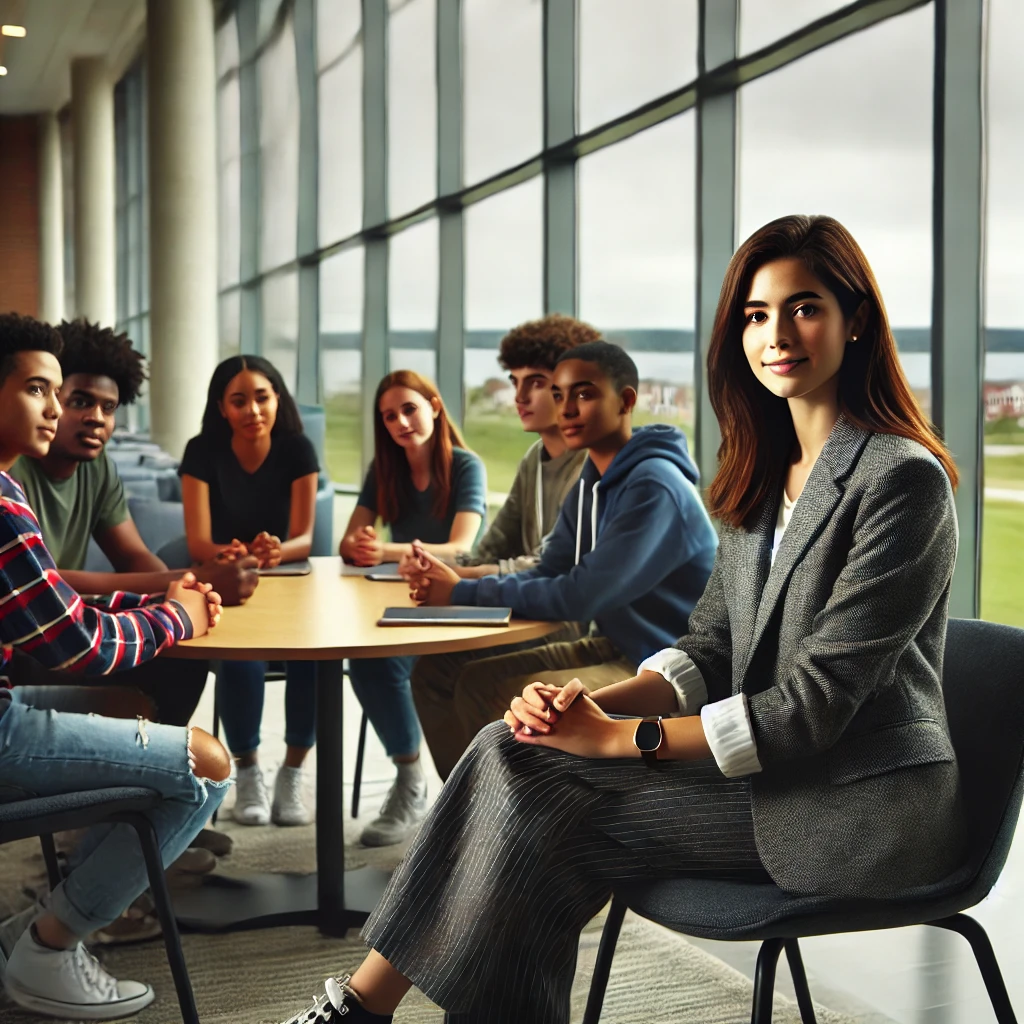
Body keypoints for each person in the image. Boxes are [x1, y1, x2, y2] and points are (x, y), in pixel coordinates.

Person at [273, 214, 967, 1023]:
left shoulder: (900, 482)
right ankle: (363, 1008)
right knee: (516, 748)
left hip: (853, 803)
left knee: (541, 807)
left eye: (804, 307)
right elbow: (708, 646)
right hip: (768, 767)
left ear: (856, 322)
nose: (776, 333)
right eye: (755, 313)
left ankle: (360, 1011)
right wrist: (599, 706)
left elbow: (814, 706)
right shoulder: (760, 472)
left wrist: (620, 737)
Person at [0, 312, 231, 1020]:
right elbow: (77, 647)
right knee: (204, 768)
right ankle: (50, 942)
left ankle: (37, 923)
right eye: (41, 389)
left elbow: (61, 616)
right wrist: (178, 614)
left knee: (149, 705)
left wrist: (171, 595)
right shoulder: (4, 503)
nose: (55, 405)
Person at [404, 340, 718, 780]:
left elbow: (579, 594)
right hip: (617, 643)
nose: (566, 408)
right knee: (440, 674)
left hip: (666, 664)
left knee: (518, 700)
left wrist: (460, 590)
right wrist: (459, 586)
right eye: (559, 395)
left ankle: (524, 828)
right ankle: (472, 818)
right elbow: (549, 568)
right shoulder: (592, 481)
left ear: (626, 401)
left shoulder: (655, 487)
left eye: (584, 394)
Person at [8, 319, 258, 729]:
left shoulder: (96, 468)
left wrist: (190, 588)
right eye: (80, 401)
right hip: (30, 644)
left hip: (70, 625)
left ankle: (146, 770)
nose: (96, 418)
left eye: (108, 408)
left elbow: (134, 556)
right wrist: (189, 575)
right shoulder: (13, 468)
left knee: (179, 657)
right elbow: (45, 581)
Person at [340, 370, 486, 846]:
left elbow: (461, 548)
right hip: (397, 598)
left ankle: (416, 786)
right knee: (366, 660)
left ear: (435, 406)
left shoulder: (466, 466)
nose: (401, 422)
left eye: (409, 409)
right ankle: (409, 778)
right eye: (389, 416)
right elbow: (350, 539)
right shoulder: (385, 472)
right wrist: (360, 544)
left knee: (379, 662)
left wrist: (382, 551)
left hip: (450, 601)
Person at [179, 355, 319, 827]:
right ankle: (250, 770)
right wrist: (236, 552)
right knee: (242, 659)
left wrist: (276, 549)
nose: (253, 409)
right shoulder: (201, 451)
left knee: (315, 657)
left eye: (262, 397)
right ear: (222, 407)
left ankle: (292, 772)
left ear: (278, 399)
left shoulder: (298, 448)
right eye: (239, 401)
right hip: (227, 584)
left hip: (289, 584)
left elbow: (305, 536)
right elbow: (198, 542)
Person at [452, 314, 592, 579]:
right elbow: (493, 548)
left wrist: (475, 575)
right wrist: (435, 563)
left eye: (536, 382)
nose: (519, 397)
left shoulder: (598, 463)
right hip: (538, 611)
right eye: (515, 381)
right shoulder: (533, 460)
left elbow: (563, 564)